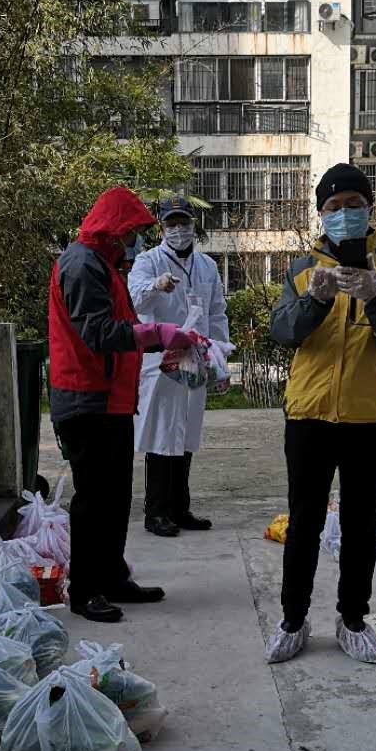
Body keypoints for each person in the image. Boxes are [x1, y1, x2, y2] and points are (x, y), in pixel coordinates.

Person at [264, 163, 376, 666]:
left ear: (370, 208)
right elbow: (283, 332)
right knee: (304, 523)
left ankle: (353, 619)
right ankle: (293, 620)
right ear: (321, 214)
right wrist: (314, 300)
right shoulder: (301, 269)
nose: (345, 214)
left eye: (354, 205)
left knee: (359, 525)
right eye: (333, 207)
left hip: (368, 416)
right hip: (308, 413)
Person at [49, 186, 200, 624]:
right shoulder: (81, 264)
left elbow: (126, 328)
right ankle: (85, 589)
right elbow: (98, 333)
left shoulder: (104, 265)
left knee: (115, 497)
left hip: (110, 398)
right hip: (86, 399)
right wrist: (158, 334)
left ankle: (112, 577)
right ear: (114, 229)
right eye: (132, 231)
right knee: (94, 498)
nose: (135, 239)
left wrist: (166, 344)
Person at [128, 195, 230, 537]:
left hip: (196, 357)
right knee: (161, 434)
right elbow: (136, 298)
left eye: (183, 223)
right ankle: (156, 511)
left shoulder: (207, 266)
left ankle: (179, 508)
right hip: (161, 358)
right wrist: (156, 286)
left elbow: (217, 312)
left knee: (186, 433)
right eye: (171, 224)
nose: (178, 230)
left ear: (192, 224)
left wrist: (221, 358)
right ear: (161, 227)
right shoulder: (148, 261)